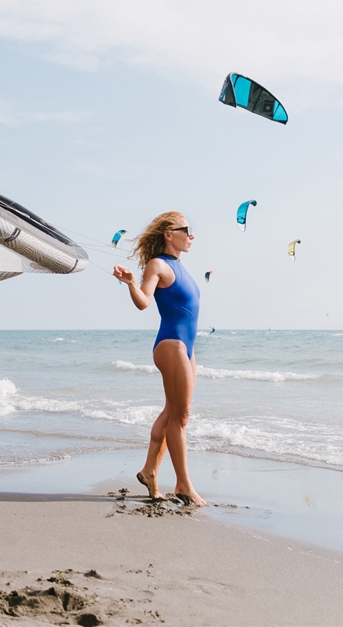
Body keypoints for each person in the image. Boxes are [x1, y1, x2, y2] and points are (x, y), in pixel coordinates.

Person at [112, 211, 205, 506]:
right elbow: (144, 302)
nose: (191, 235)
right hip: (171, 344)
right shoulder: (158, 265)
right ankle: (184, 485)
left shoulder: (180, 267)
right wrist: (130, 283)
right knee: (181, 417)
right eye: (186, 230)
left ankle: (150, 471)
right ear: (169, 234)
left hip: (186, 349)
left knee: (173, 412)